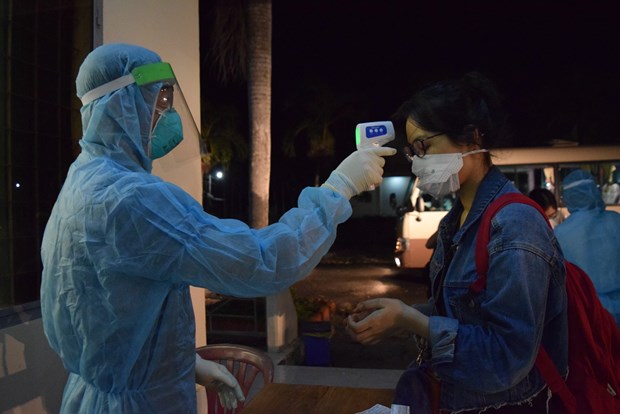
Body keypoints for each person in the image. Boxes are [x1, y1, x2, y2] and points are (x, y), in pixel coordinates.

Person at [40, 43, 396, 413]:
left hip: (90, 398)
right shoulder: (133, 200)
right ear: (121, 106)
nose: (169, 113)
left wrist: (187, 364)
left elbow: (103, 312)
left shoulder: (81, 181)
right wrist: (338, 190)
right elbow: (263, 261)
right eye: (160, 100)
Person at [345, 72, 568, 413]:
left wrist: (410, 320)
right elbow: (459, 315)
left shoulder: (515, 228)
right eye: (412, 152)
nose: (417, 162)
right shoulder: (456, 221)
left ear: (471, 137)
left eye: (425, 146)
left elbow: (505, 359)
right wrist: (396, 315)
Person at [554, 169, 620, 324]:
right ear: (594, 191)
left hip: (587, 313)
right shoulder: (615, 221)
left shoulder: (560, 234)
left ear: (568, 197)